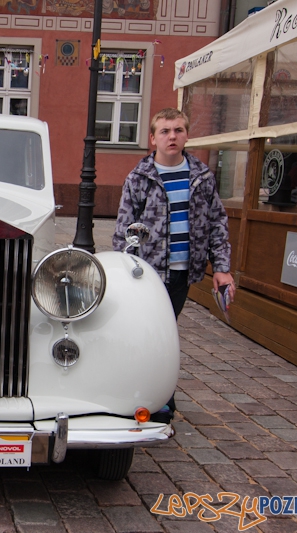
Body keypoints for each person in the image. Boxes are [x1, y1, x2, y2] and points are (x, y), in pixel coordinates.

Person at [113, 108, 234, 423]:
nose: (172, 136)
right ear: (153, 138)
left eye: (178, 130)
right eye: (165, 131)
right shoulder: (140, 178)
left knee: (164, 335)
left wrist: (221, 266)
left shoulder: (201, 176)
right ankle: (155, 397)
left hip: (182, 273)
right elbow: (124, 230)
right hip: (148, 274)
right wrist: (126, 270)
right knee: (151, 336)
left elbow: (216, 222)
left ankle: (159, 396)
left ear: (186, 135)